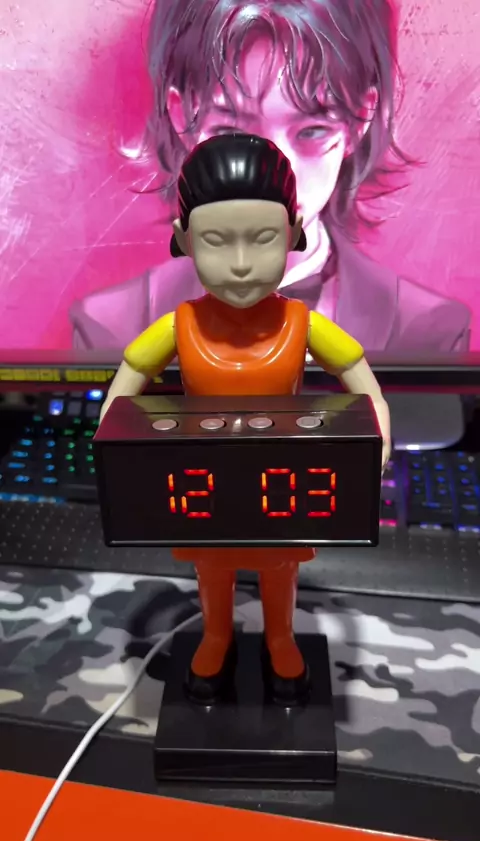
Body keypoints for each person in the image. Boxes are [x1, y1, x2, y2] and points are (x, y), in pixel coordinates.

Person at [99, 133, 391, 705]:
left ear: (293, 233)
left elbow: (356, 371)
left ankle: (281, 637)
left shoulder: (302, 324)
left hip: (281, 486)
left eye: (263, 240)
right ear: (185, 239)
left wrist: (378, 427)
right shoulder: (178, 327)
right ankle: (216, 634)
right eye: (215, 241)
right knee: (213, 566)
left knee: (278, 565)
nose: (239, 265)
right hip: (203, 487)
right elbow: (130, 377)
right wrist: (113, 442)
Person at [70, 0, 471, 353]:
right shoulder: (112, 326)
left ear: (360, 121)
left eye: (311, 131)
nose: (278, 175)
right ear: (181, 118)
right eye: (232, 131)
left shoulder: (427, 329)